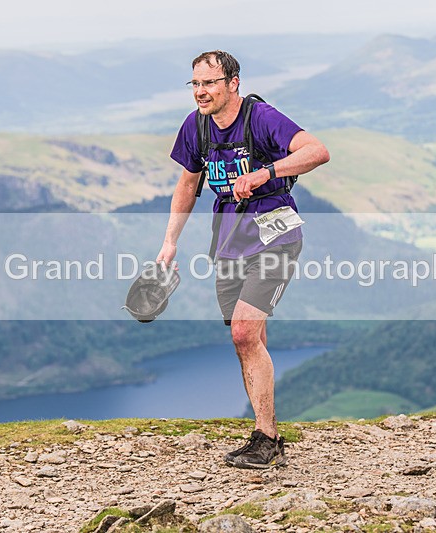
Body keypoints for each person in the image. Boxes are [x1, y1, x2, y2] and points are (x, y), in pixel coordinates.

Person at [156, 50, 329, 468]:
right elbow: (188, 182)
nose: (201, 92)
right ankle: (264, 433)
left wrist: (264, 174)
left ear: (233, 83)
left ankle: (266, 439)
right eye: (195, 84)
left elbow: (317, 151)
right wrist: (169, 243)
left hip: (276, 236)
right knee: (248, 340)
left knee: (243, 332)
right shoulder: (196, 126)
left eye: (210, 83)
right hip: (229, 241)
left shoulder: (261, 118)